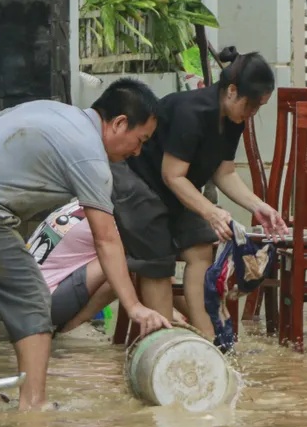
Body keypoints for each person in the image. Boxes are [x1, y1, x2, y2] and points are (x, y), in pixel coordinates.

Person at [0, 78, 174, 411]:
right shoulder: (91, 158)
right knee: (34, 299)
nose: (137, 152)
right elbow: (106, 238)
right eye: (140, 141)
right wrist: (135, 307)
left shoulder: (48, 109)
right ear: (119, 123)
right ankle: (34, 406)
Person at [112, 47, 289, 341]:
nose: (253, 113)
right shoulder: (192, 112)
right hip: (139, 182)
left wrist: (259, 206)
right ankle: (164, 341)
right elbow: (172, 174)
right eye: (251, 105)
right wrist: (211, 211)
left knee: (201, 248)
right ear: (232, 91)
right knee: (157, 256)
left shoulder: (234, 120)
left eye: (259, 107)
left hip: (177, 190)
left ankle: (208, 339)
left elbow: (225, 172)